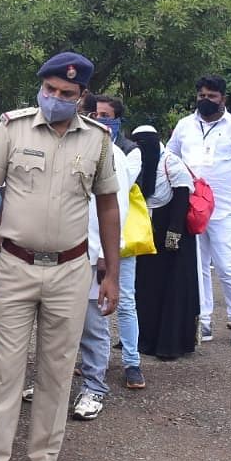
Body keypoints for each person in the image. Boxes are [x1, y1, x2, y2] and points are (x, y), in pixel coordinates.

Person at [0, 51, 120, 461]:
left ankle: (44, 460)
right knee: (3, 371)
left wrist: (111, 272)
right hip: (13, 265)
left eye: (66, 94)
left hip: (71, 270)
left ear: (81, 97)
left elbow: (108, 205)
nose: (54, 99)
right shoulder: (13, 129)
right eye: (49, 90)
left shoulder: (97, 140)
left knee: (57, 369)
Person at [167, 76, 231, 348]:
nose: (205, 100)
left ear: (223, 99)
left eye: (212, 96)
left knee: (225, 264)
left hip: (223, 207)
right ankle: (204, 320)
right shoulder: (185, 125)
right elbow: (171, 157)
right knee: (198, 266)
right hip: (193, 206)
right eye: (201, 95)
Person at [72, 126, 131, 419]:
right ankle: (48, 384)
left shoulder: (112, 154)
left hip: (92, 254)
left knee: (92, 325)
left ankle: (94, 387)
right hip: (61, 253)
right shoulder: (67, 144)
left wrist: (108, 257)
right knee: (53, 325)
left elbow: (116, 209)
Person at [133, 126, 198, 367]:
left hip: (172, 234)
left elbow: (182, 196)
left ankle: (168, 344)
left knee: (170, 288)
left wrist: (174, 233)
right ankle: (143, 339)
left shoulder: (171, 162)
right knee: (145, 285)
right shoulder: (141, 162)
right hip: (147, 229)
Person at [91, 95, 143, 387]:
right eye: (95, 114)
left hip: (118, 237)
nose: (99, 120)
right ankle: (92, 360)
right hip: (88, 239)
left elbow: (117, 198)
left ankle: (132, 363)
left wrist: (105, 250)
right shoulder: (85, 146)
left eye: (105, 115)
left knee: (124, 299)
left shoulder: (128, 152)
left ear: (118, 120)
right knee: (87, 304)